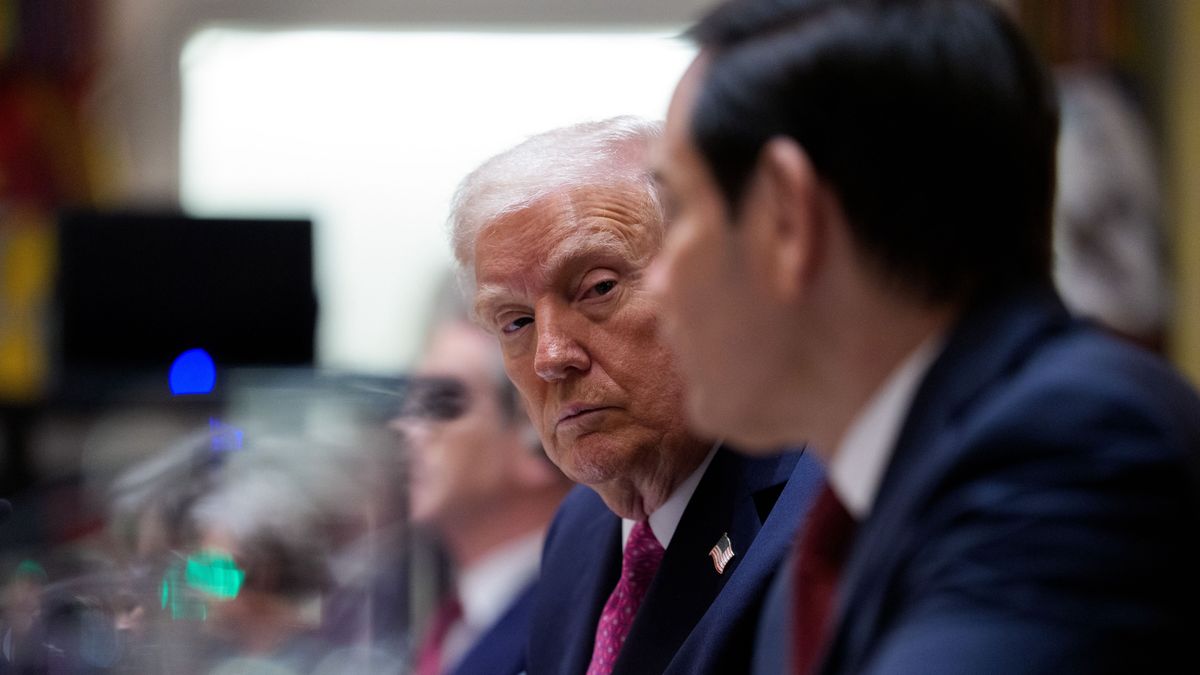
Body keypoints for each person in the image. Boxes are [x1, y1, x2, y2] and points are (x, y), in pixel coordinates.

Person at [647, 1, 1200, 673]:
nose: (656, 285)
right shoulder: (864, 497)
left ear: (785, 216)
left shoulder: (1072, 445)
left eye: (674, 211)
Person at [450, 116, 822, 675]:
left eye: (598, 288)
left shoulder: (818, 512)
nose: (551, 356)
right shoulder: (579, 527)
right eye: (516, 322)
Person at [391, 278, 573, 675]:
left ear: (531, 429)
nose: (408, 428)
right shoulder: (455, 619)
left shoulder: (576, 627)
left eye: (441, 403)